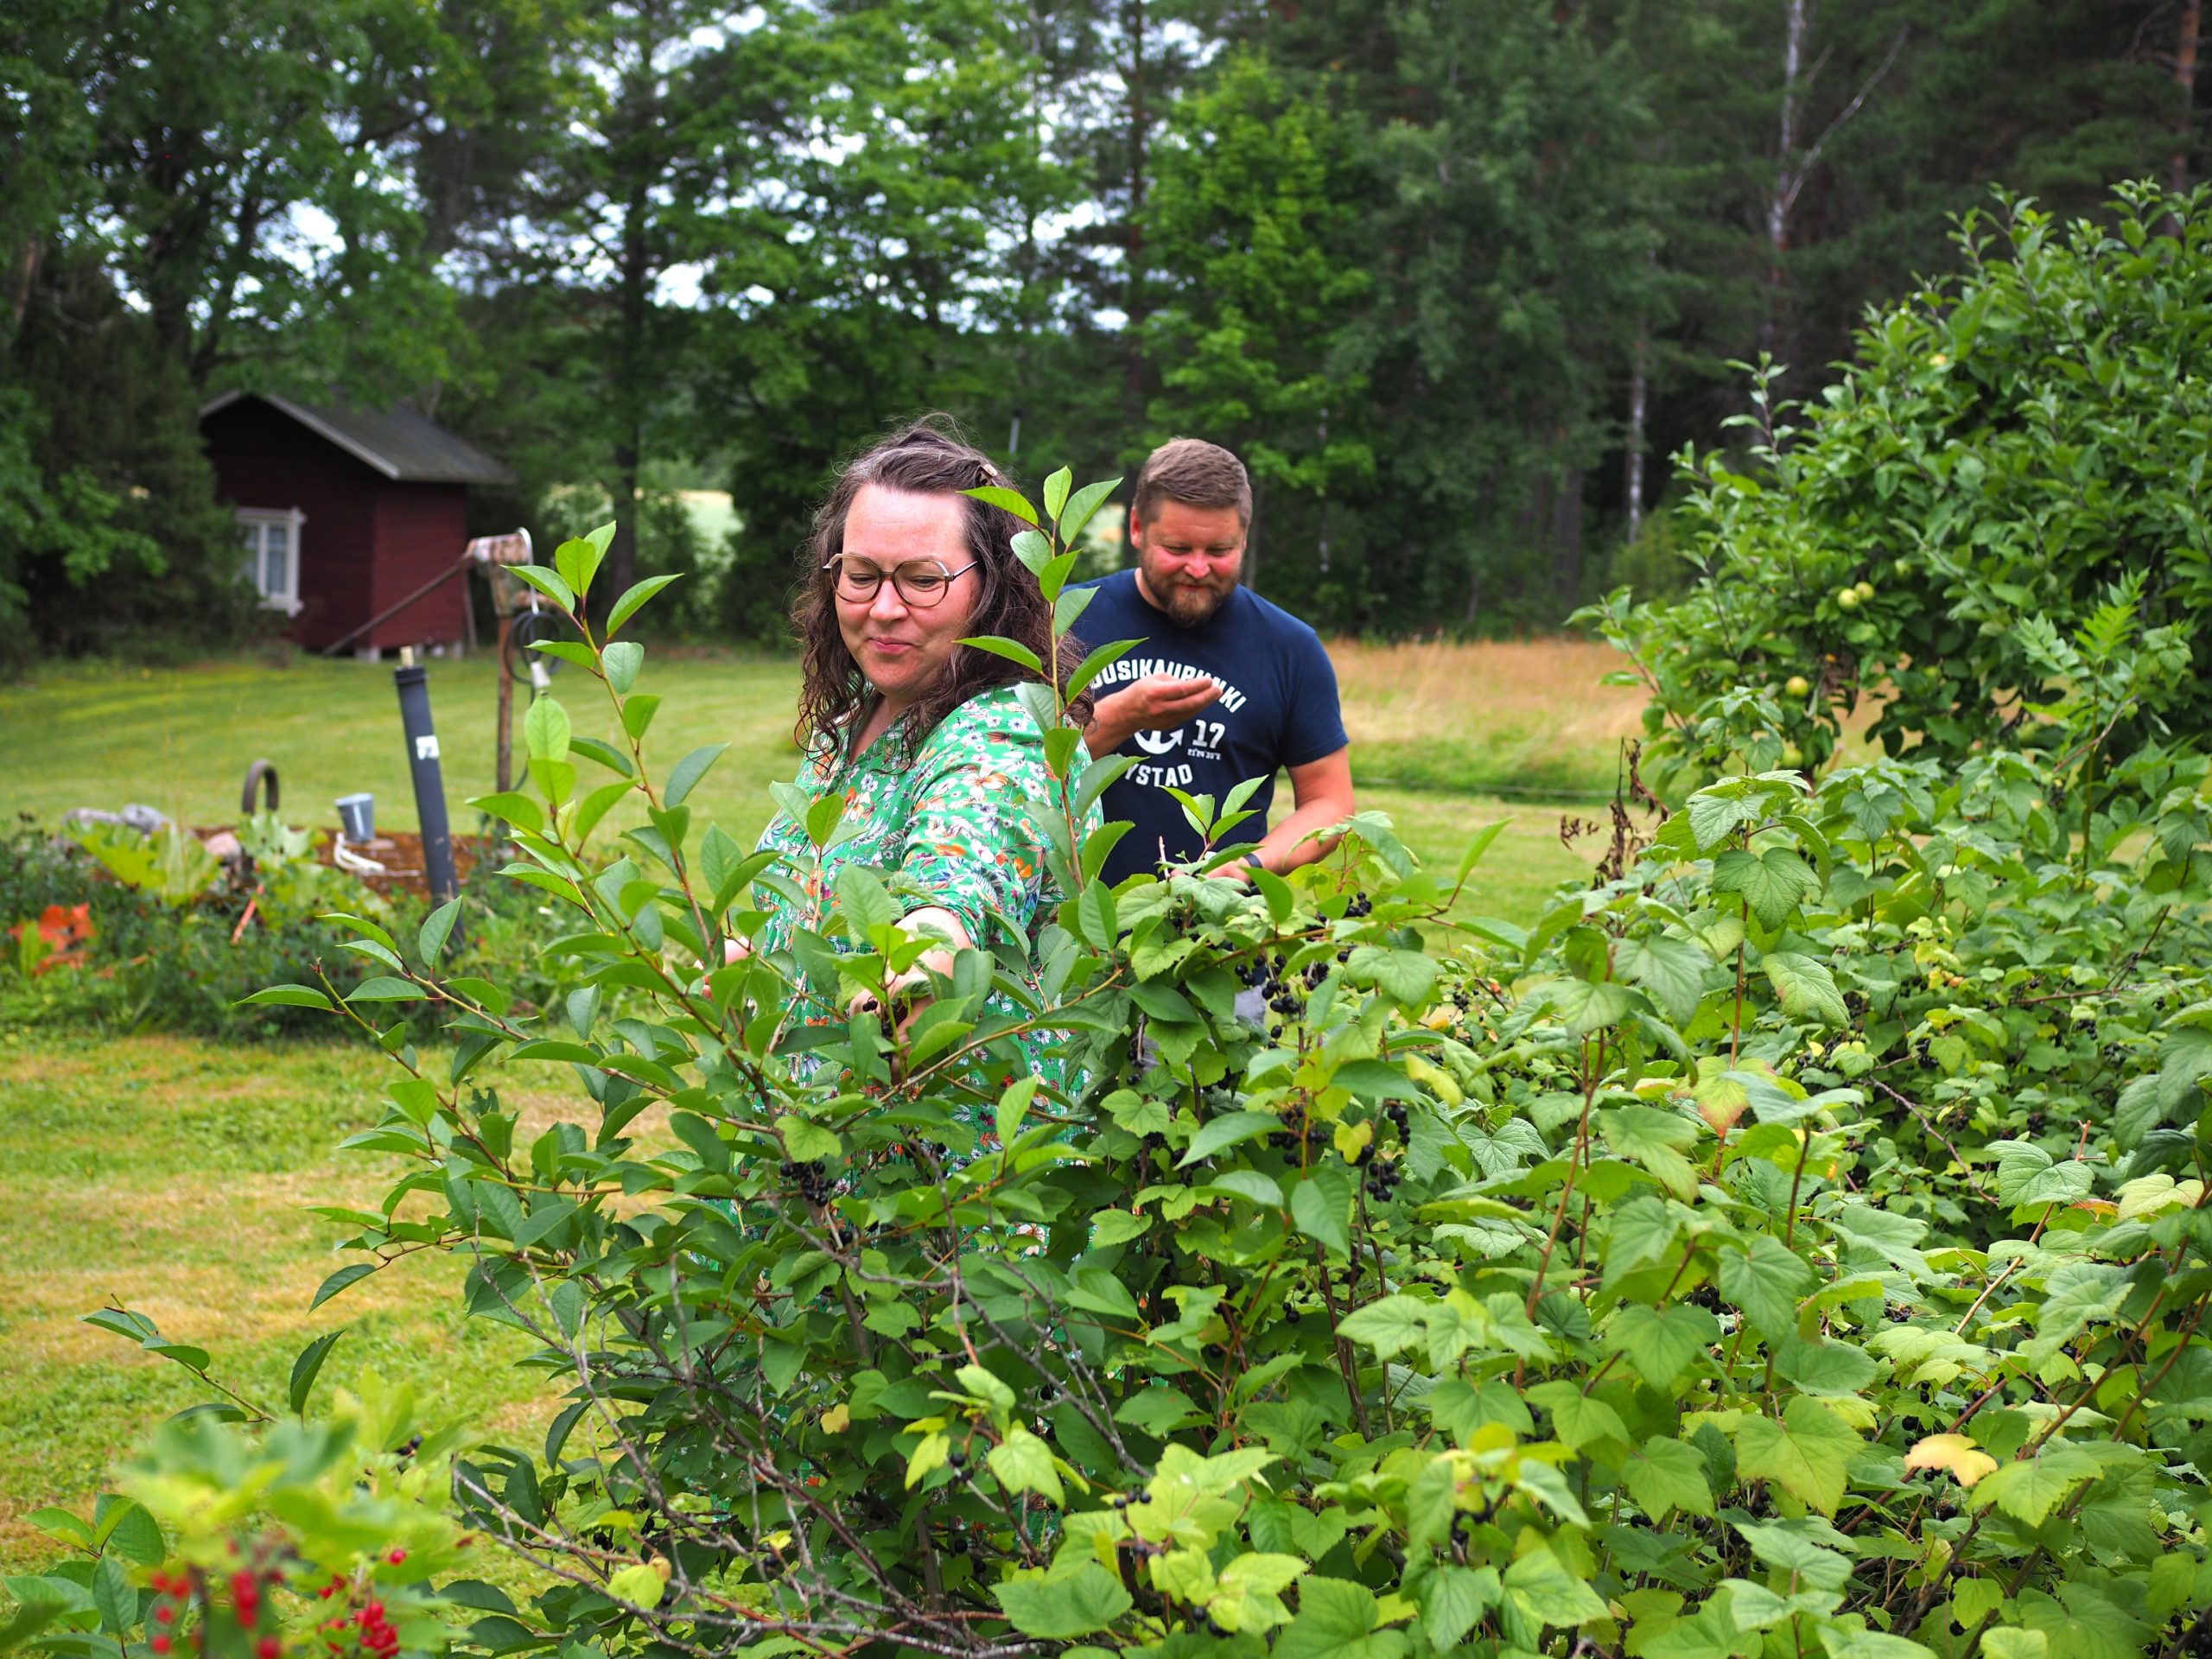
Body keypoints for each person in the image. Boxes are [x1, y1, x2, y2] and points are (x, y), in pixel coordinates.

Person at [743, 420, 1099, 1097]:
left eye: (921, 580)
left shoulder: (1008, 731)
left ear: (992, 587)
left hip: (946, 1188)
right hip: (820, 1160)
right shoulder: (849, 727)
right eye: (862, 575)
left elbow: (959, 876)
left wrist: (925, 960)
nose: (883, 608)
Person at [1077, 438, 1355, 887]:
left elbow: (1331, 802)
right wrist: (1122, 717)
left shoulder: (1291, 649)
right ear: (1136, 528)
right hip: (1070, 929)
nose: (1199, 568)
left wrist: (1251, 866)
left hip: (1213, 937)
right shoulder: (1066, 621)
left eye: (1220, 551)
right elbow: (1010, 771)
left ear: (1244, 538)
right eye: (1179, 548)